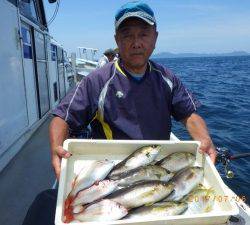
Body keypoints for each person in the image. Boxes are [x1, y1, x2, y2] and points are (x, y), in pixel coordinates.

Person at [23, 2, 216, 224]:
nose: (136, 43)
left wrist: (204, 138)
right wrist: (56, 147)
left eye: (144, 34)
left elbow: (189, 114)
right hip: (109, 172)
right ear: (117, 40)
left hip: (158, 168)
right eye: (127, 36)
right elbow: (62, 117)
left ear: (155, 38)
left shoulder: (167, 79)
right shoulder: (98, 81)